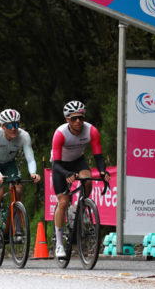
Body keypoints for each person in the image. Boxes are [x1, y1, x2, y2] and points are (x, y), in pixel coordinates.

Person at [50, 100, 110, 258]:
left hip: (78, 161)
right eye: (74, 118)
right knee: (63, 202)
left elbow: (98, 156)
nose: (78, 121)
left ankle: (80, 207)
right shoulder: (60, 134)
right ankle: (59, 244)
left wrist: (103, 171)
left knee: (87, 180)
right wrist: (66, 174)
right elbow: (55, 165)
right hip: (60, 164)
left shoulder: (91, 131)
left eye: (81, 118)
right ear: (67, 120)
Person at [0, 109, 41, 244]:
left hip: (9, 164)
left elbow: (30, 159)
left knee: (18, 190)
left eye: (16, 124)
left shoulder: (24, 136)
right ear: (2, 126)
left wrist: (33, 173)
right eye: (10, 126)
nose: (14, 129)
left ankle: (17, 228)